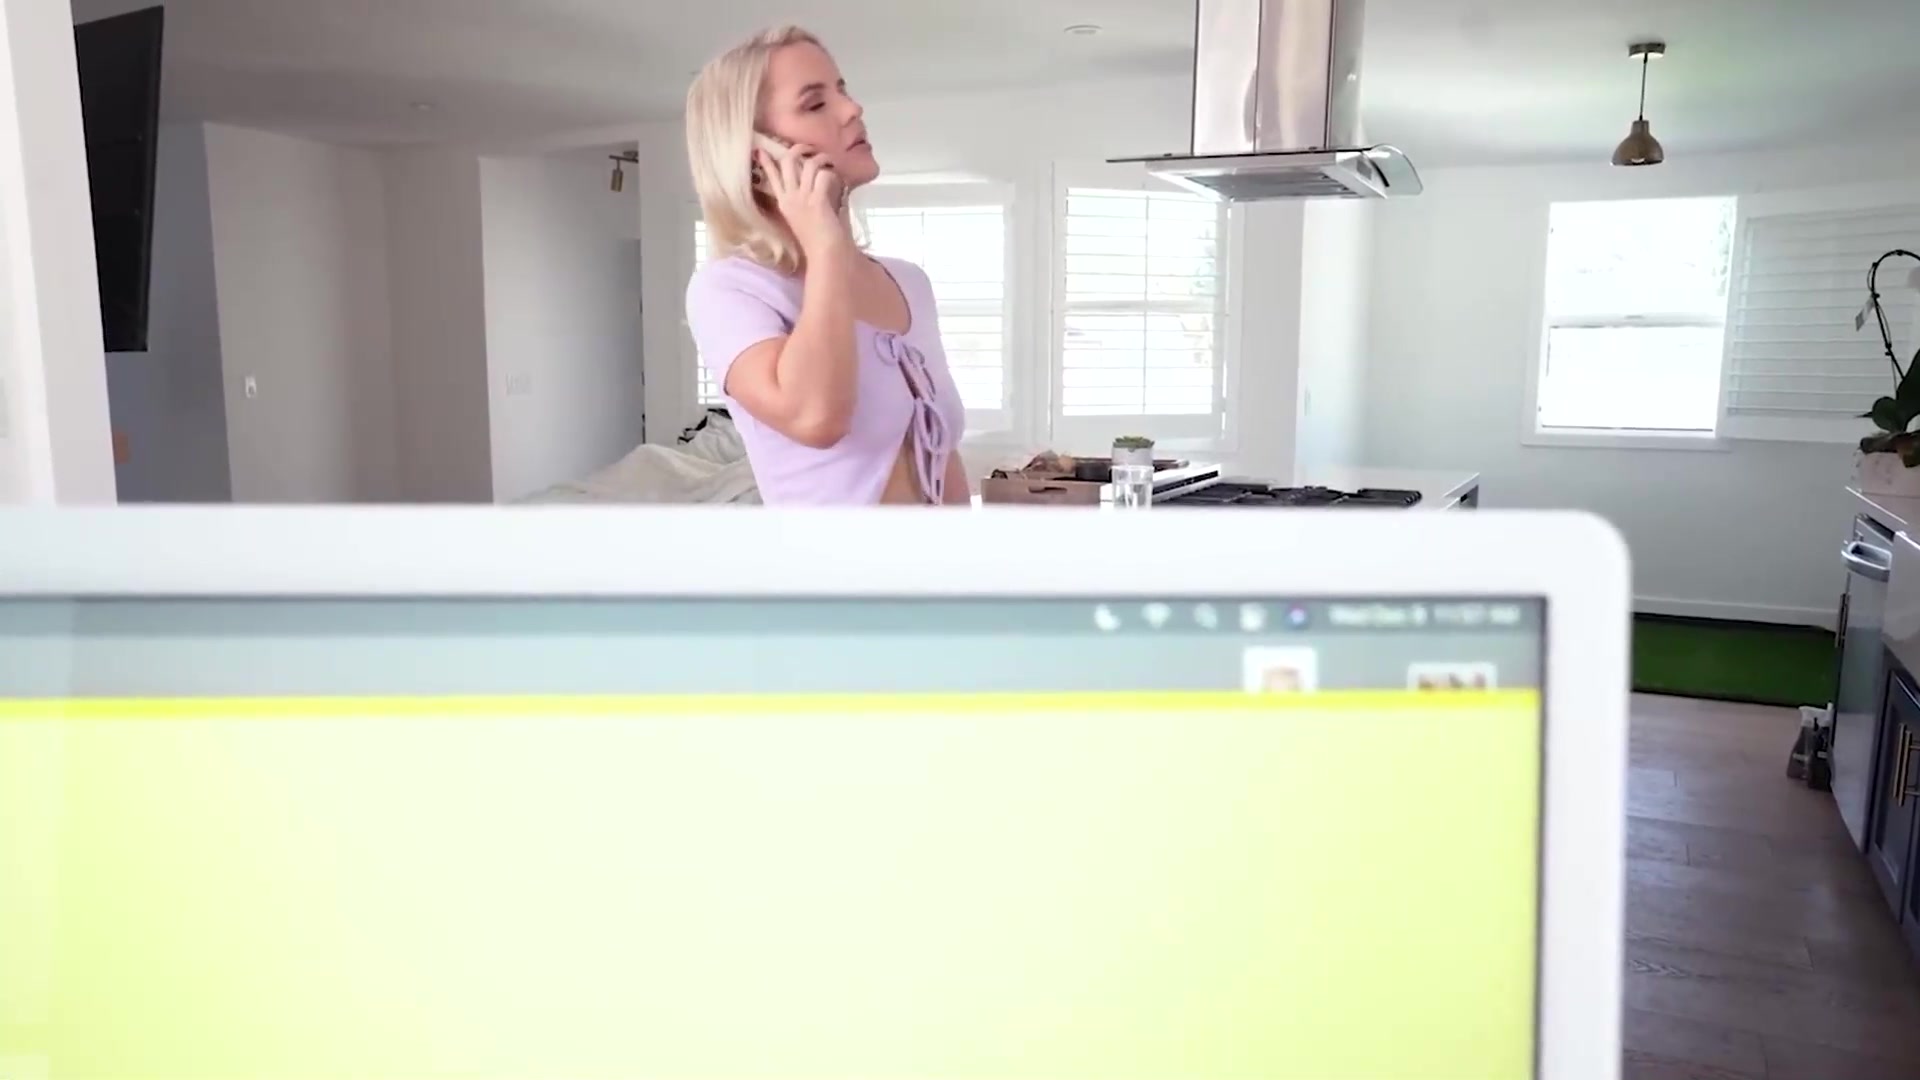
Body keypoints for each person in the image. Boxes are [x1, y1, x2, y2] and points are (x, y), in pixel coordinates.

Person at [683, 26, 970, 506]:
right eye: (815, 103)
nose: (853, 109)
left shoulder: (909, 282)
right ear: (759, 159)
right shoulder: (727, 290)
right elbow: (816, 419)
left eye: (843, 90)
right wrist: (825, 245)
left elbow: (943, 458)